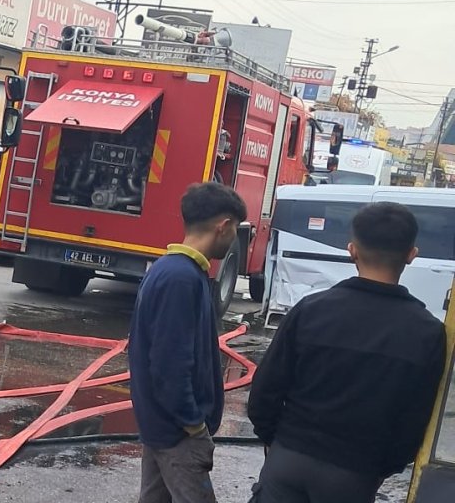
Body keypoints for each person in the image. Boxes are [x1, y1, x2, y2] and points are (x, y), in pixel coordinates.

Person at [247, 202, 446, 503]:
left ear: (352, 250)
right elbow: (414, 419)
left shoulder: (310, 310)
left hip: (289, 459)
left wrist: (274, 441)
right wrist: (384, 467)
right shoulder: (427, 333)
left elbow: (265, 390)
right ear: (411, 255)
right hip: (355, 473)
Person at [129, 182, 248, 503]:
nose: (235, 237)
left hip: (162, 426)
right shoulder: (181, 278)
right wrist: (194, 424)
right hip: (177, 432)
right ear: (223, 226)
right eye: (236, 228)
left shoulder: (171, 270)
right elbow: (170, 364)